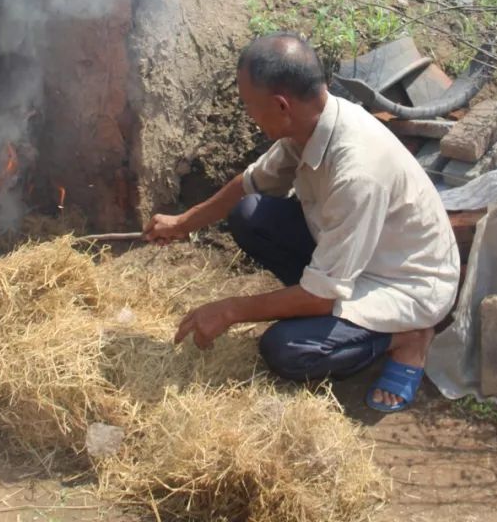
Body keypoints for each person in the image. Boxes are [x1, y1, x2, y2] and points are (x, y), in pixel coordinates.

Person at [143, 32, 460, 412]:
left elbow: (321, 295)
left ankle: (405, 339)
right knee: (249, 214)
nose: (247, 112)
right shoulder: (310, 123)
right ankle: (324, 308)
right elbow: (248, 185)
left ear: (280, 105)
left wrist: (229, 310)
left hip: (404, 283)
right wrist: (183, 223)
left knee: (287, 350)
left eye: (249, 104)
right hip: (352, 253)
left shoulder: (357, 171)